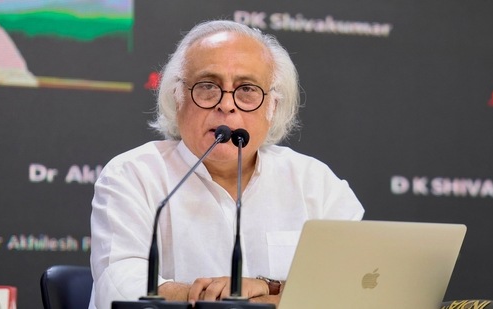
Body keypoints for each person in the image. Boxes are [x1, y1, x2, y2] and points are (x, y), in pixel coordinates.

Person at [88, 20, 364, 309]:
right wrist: (214, 300)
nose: (227, 105)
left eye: (246, 89)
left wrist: (267, 288)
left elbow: (359, 285)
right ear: (177, 97)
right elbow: (118, 289)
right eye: (208, 86)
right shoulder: (133, 175)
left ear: (273, 106)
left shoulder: (315, 183)